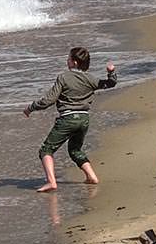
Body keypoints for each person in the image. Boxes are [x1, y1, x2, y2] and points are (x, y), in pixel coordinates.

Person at [22, 46, 115, 192]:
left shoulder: (64, 77)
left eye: (69, 58)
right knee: (75, 150)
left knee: (46, 150)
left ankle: (51, 182)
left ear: (75, 62)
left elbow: (48, 100)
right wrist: (111, 73)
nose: (67, 60)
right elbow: (110, 84)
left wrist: (31, 108)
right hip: (84, 119)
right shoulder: (91, 79)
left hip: (67, 118)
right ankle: (92, 177)